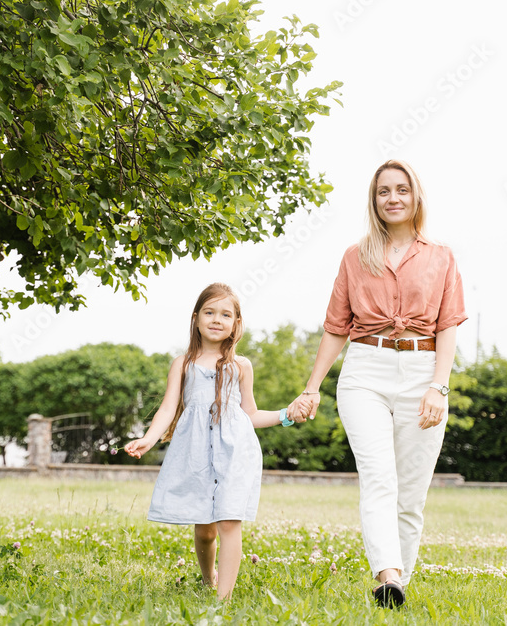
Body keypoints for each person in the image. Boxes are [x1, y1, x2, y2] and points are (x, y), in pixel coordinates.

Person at [288, 160, 467, 609]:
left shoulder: (441, 256)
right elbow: (335, 327)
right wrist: (312, 387)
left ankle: (397, 586)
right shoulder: (355, 256)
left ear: (415, 196)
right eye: (384, 191)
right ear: (374, 200)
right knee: (378, 476)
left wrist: (438, 388)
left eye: (402, 190)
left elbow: (448, 326)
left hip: (423, 371)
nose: (393, 198)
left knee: (411, 493)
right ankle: (385, 571)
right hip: (365, 370)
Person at [125, 282, 296, 600]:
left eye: (225, 314)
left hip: (234, 453)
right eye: (209, 312)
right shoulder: (184, 363)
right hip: (196, 453)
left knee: (229, 521)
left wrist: (286, 414)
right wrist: (149, 438)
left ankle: (223, 599)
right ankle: (208, 579)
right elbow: (168, 407)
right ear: (196, 318)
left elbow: (251, 414)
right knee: (205, 530)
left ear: (236, 323)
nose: (217, 319)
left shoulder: (241, 367)